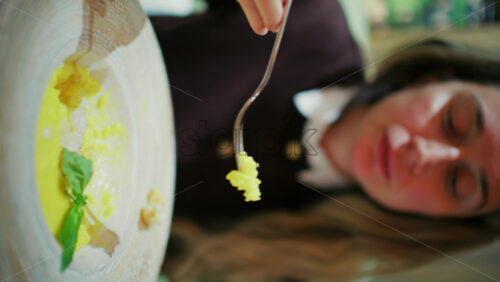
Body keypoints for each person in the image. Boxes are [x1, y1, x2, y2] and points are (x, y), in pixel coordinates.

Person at [151, 0, 500, 280]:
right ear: (433, 77)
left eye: (459, 182)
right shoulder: (309, 17)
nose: (426, 155)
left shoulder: (312, 267)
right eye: (454, 121)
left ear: (449, 222)